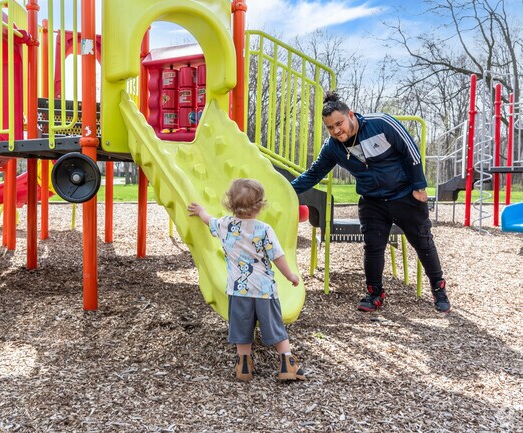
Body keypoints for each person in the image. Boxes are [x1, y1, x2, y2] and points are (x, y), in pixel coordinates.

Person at [291, 91, 451, 313]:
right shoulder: (333, 148)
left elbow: (410, 152)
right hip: (372, 202)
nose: (337, 131)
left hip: (404, 195)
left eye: (339, 123)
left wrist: (419, 187)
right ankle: (375, 294)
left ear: (351, 115)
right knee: (373, 248)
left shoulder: (381, 124)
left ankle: (438, 289)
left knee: (423, 242)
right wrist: (287, 190)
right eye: (330, 128)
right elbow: (313, 173)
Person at [188, 178, 306, 381]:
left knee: (242, 329)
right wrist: (290, 276)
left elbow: (209, 220)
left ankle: (243, 366)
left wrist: (200, 211)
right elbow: (278, 257)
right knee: (275, 327)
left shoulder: (225, 225)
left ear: (230, 204)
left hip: (238, 290)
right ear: (260, 206)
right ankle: (287, 364)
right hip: (264, 290)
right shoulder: (264, 230)